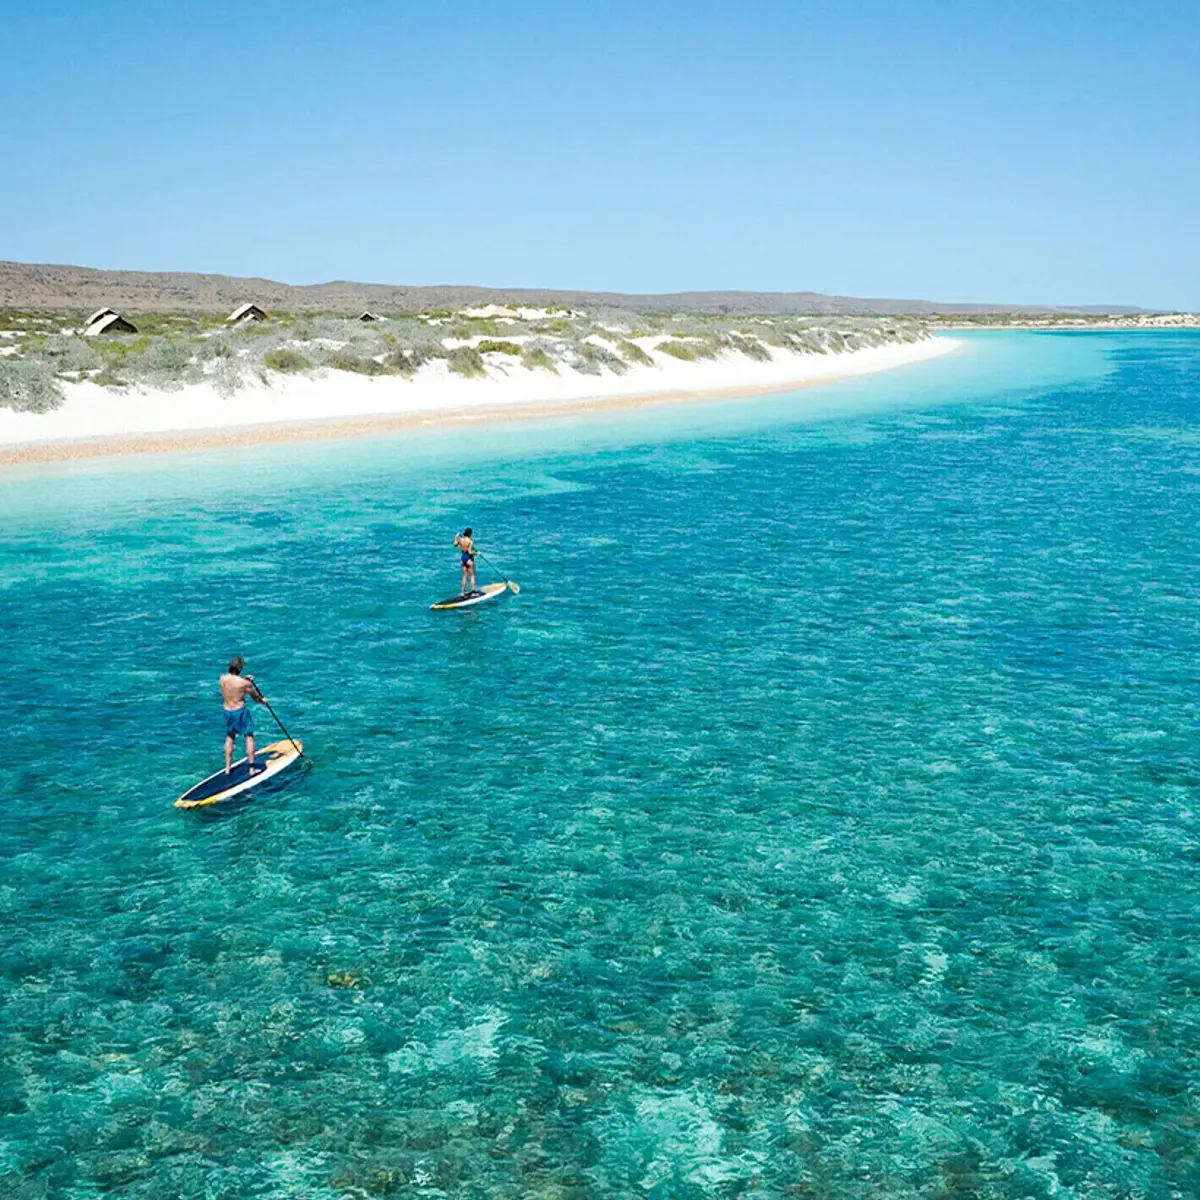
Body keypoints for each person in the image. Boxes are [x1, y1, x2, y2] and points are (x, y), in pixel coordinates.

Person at [220, 656, 266, 775]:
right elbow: (255, 698)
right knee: (248, 736)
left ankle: (227, 768)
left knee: (230, 737)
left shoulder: (222, 678)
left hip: (227, 711)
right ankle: (252, 768)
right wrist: (263, 701)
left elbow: (233, 685)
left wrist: (246, 680)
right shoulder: (244, 683)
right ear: (240, 668)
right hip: (239, 711)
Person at [454, 527, 477, 595]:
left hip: (463, 558)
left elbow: (455, 544)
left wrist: (456, 536)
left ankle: (462, 592)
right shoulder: (470, 541)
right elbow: (470, 552)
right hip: (469, 559)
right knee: (472, 576)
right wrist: (477, 553)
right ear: (470, 533)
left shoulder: (460, 539)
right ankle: (473, 592)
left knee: (464, 576)